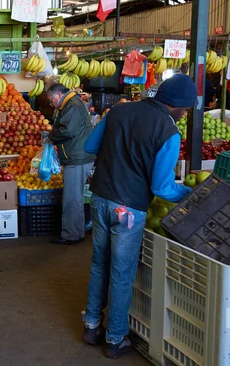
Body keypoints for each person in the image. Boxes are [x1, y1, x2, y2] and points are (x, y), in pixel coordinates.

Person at [82, 74, 196, 359]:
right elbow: (161, 187)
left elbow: (90, 146)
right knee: (121, 273)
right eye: (187, 110)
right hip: (129, 209)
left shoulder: (119, 110)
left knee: (99, 263)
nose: (186, 115)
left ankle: (91, 325)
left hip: (99, 198)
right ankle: (116, 339)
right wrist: (189, 195)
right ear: (179, 107)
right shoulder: (169, 132)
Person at [46, 83, 95, 245]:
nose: (51, 103)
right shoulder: (72, 103)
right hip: (78, 156)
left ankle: (70, 235)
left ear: (58, 95)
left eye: (51, 99)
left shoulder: (72, 105)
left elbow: (68, 131)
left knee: (71, 198)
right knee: (76, 197)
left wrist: (52, 135)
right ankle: (76, 232)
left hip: (77, 157)